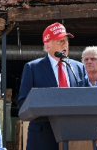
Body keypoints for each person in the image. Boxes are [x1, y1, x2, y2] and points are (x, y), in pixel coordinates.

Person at [18, 22, 88, 150]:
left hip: (75, 136)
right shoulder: (33, 68)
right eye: (59, 41)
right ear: (47, 45)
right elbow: (23, 103)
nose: (64, 44)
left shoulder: (78, 67)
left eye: (66, 41)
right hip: (43, 137)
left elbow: (89, 98)